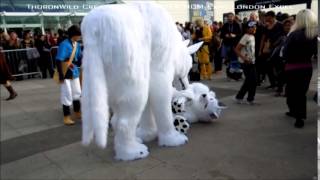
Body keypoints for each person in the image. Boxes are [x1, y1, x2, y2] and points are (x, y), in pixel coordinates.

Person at [282, 9, 317, 128]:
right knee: (301, 93)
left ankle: (294, 112)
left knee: (291, 92)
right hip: (306, 67)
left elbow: (285, 53)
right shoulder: (314, 35)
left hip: (292, 68)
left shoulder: (293, 34)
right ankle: (299, 117)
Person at [55, 25, 82, 125]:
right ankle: (66, 117)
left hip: (73, 70)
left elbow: (79, 57)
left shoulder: (77, 44)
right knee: (67, 93)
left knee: (77, 92)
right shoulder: (64, 44)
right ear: (73, 35)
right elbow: (58, 60)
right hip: (65, 70)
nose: (79, 37)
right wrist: (61, 75)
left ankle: (77, 111)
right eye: (78, 35)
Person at [259, 11, 284, 89]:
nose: (265, 18)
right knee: (268, 67)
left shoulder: (280, 25)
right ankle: (273, 83)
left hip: (277, 49)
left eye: (267, 16)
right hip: (268, 49)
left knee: (278, 67)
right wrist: (260, 50)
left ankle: (279, 85)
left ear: (271, 17)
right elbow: (263, 39)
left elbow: (283, 37)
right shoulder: (266, 26)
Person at [234, 21, 257, 105]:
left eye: (255, 26)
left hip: (252, 61)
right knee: (251, 80)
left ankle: (242, 97)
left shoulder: (252, 36)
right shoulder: (246, 37)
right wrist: (244, 58)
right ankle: (249, 99)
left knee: (251, 81)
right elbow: (236, 49)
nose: (254, 28)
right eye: (251, 27)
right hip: (245, 62)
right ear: (247, 29)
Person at [220, 12, 242, 80]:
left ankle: (237, 75)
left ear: (233, 17)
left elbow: (240, 34)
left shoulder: (237, 24)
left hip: (235, 44)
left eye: (231, 17)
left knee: (235, 60)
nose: (229, 18)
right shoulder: (225, 25)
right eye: (228, 17)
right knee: (228, 60)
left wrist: (235, 35)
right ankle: (229, 75)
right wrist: (225, 35)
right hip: (227, 44)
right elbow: (221, 35)